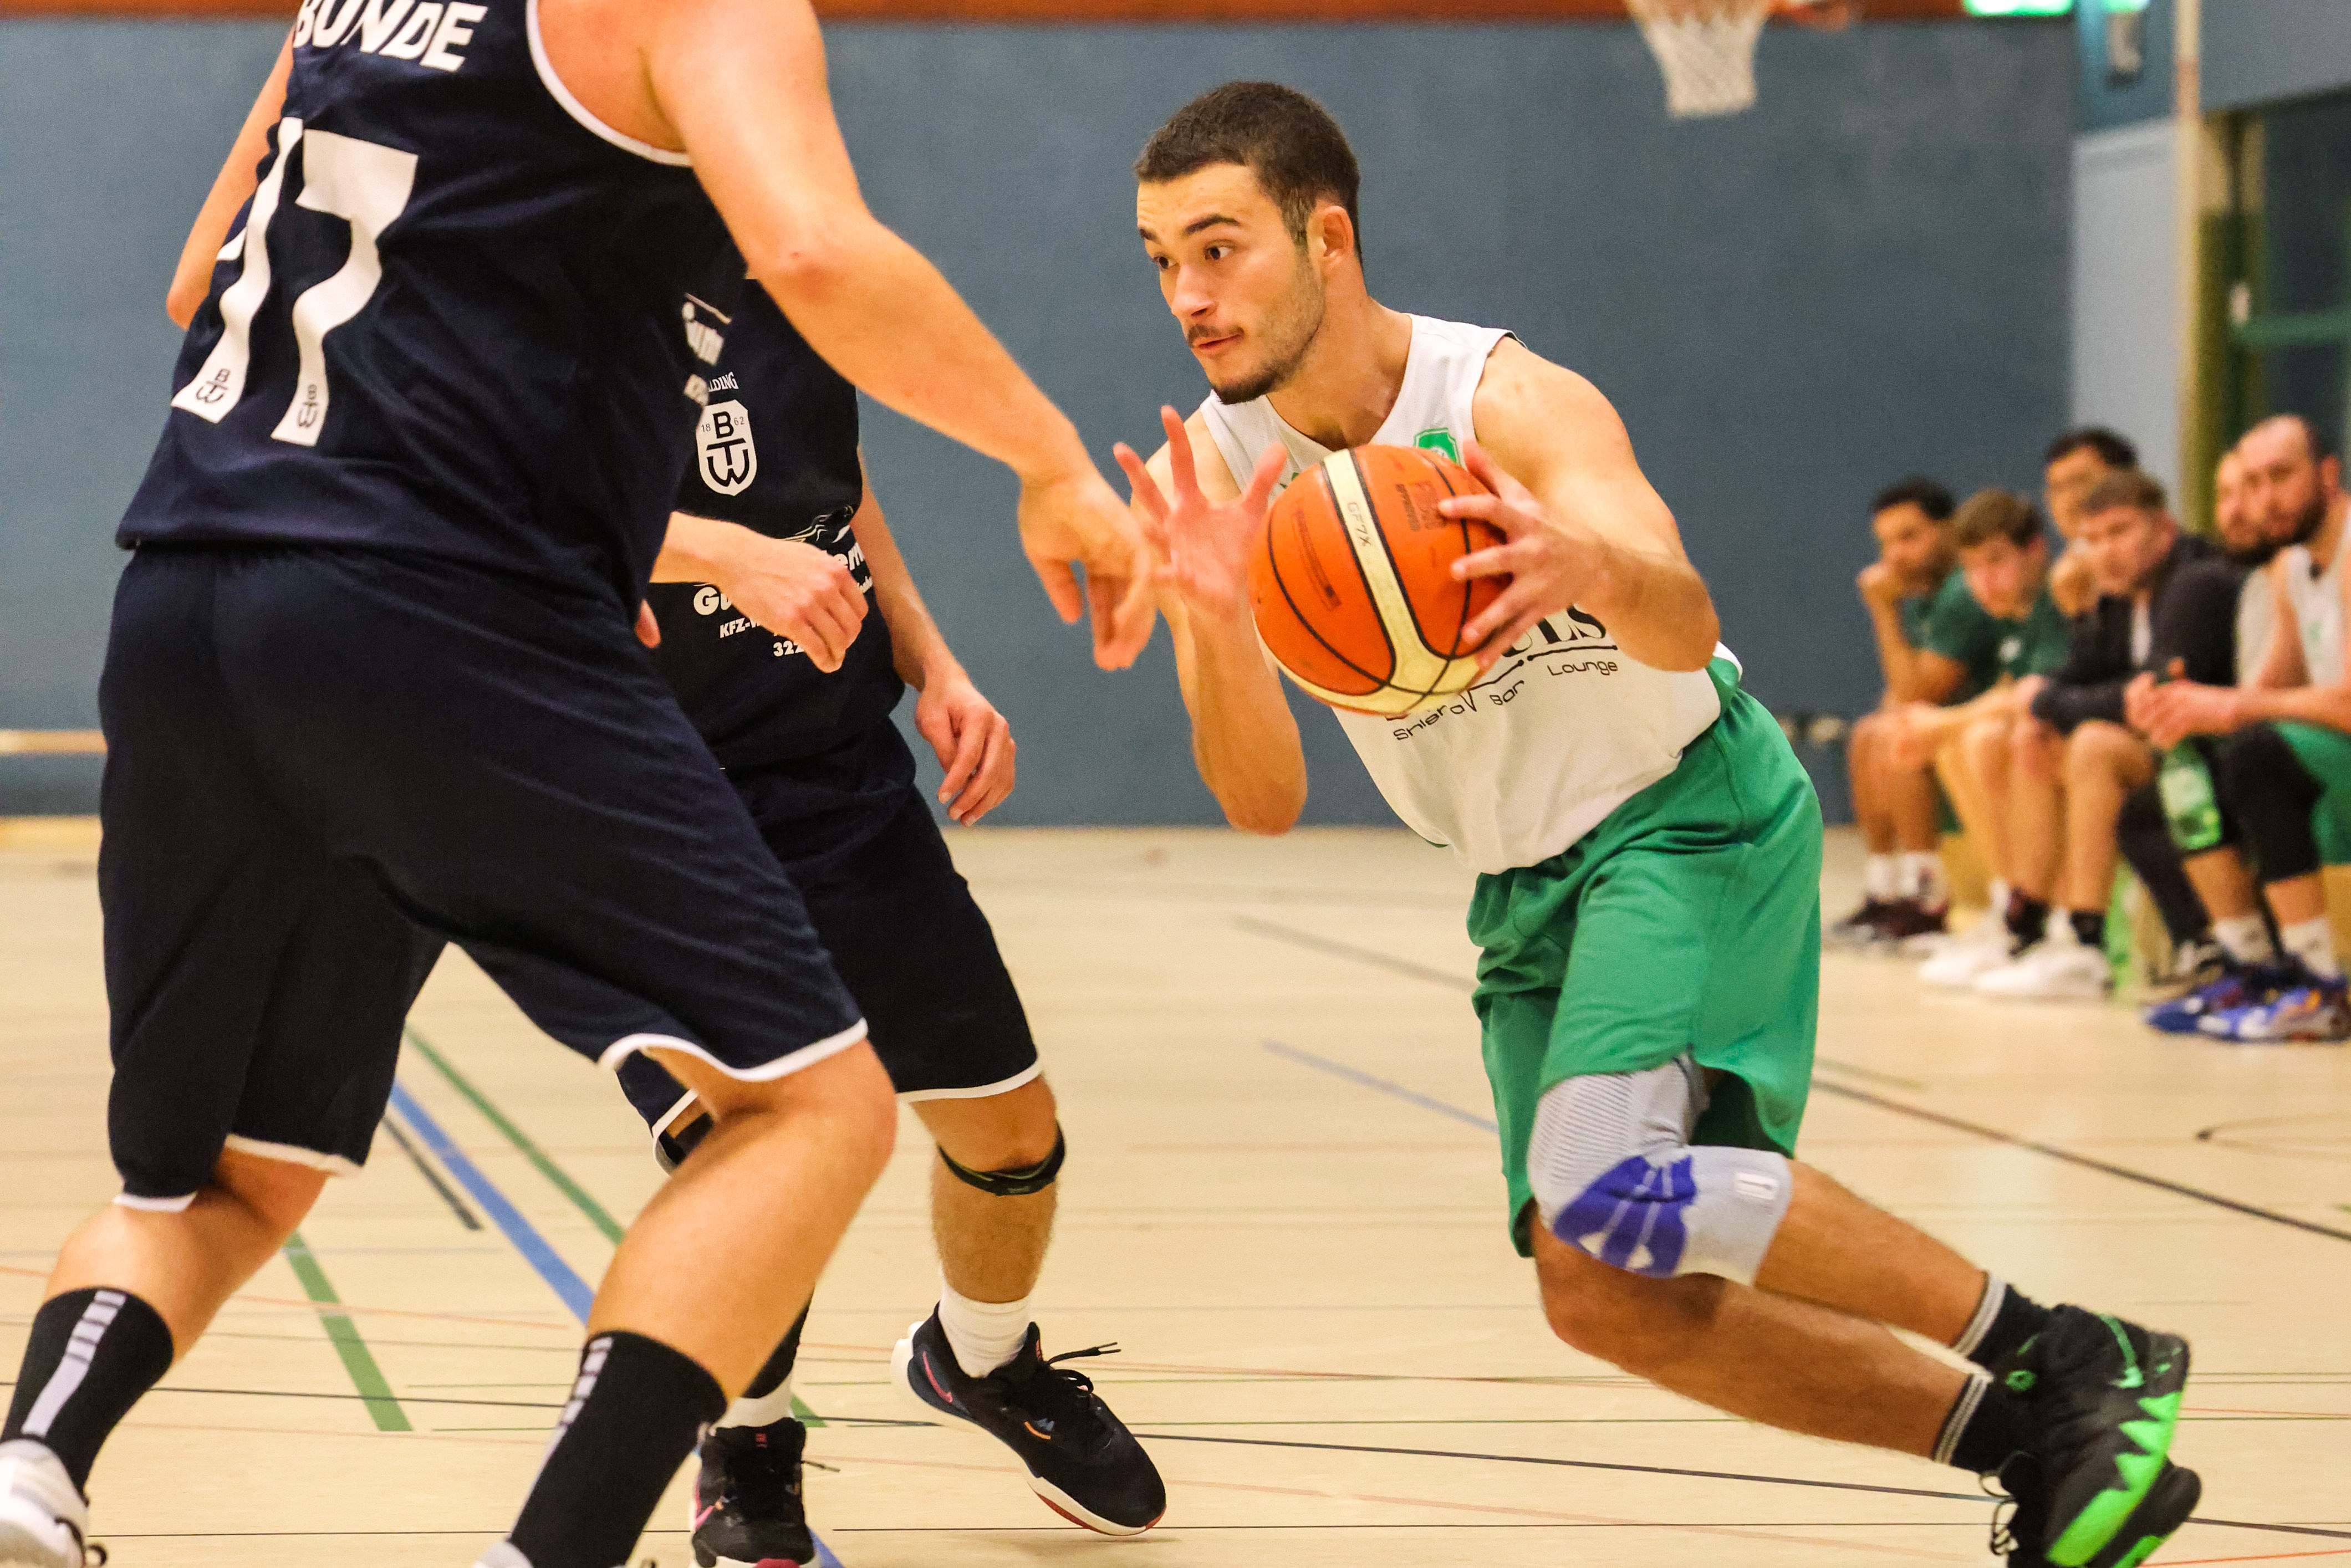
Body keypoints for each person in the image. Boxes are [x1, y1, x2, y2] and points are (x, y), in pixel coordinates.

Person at [0, 3, 1153, 1566]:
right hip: (434, 606)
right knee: (811, 1110)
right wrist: (1051, 459)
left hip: (190, 589)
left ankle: (33, 1462)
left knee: (226, 1178)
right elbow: (815, 251)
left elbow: (204, 273)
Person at [1116, 79, 2199, 1568]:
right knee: (1600, 1291)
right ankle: (2042, 1444)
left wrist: (1585, 567)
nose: (1186, 294)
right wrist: (1208, 620)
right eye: (1160, 260)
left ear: (1328, 238)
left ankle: (2066, 1348)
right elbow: (1262, 804)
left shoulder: (1506, 403)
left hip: (1681, 816)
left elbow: (1682, 623)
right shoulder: (1218, 482)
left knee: (1606, 1183)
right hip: (1521, 887)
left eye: (1217, 247)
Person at [619, 282, 1165, 1562]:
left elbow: (839, 492)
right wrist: (723, 554)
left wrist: (933, 663)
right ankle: (748, 1443)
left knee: (1008, 1131)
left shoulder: (798, 276)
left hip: (838, 780)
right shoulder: (564, 263)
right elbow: (507, 513)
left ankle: (979, 1358)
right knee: (754, 1150)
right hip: (655, 797)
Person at [1956, 473, 2237, 999]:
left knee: (2092, 745)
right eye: (2093, 539)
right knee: (2034, 735)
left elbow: (2148, 696)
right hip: (2162, 747)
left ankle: (2084, 939)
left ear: (2164, 527)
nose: (2105, 551)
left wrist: (2046, 700)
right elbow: (2084, 674)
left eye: (2119, 532)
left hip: (2214, 745)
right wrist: (2044, 702)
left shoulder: (2193, 580)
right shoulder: (2121, 591)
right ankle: (2024, 925)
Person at [2133, 415, 2351, 1042]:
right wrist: (2177, 705)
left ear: (2327, 474)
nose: (2265, 498)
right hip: (2332, 760)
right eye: (2252, 482)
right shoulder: (2289, 569)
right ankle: (2251, 964)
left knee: (2254, 752)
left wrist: (2231, 707)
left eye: (2281, 476)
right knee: (2189, 759)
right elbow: (2267, 692)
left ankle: (2320, 981)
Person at [1867, 491, 2069, 982]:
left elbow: (2032, 691)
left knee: (1979, 740)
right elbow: (2008, 686)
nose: (1984, 581)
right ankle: (2008, 907)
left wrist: (1943, 722)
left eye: (1996, 562)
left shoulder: (2056, 600)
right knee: (1953, 742)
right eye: (1973, 568)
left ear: (2035, 550)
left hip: (2073, 738)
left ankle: (2047, 921)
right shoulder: (2013, 615)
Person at [1834, 478, 1962, 947]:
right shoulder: (1930, 597)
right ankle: (1884, 889)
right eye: (1886, 544)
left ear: (1949, 530)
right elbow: (1903, 692)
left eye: (1909, 537)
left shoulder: (1960, 593)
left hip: (1979, 723)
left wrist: (1882, 610)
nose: (1894, 557)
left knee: (1898, 735)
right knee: (1868, 732)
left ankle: (1925, 895)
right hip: (1949, 722)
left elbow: (1913, 694)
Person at [2043, 428, 2140, 617]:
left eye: (2081, 481)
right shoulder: (2057, 584)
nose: (2070, 501)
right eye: (2058, 488)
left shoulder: (2164, 570)